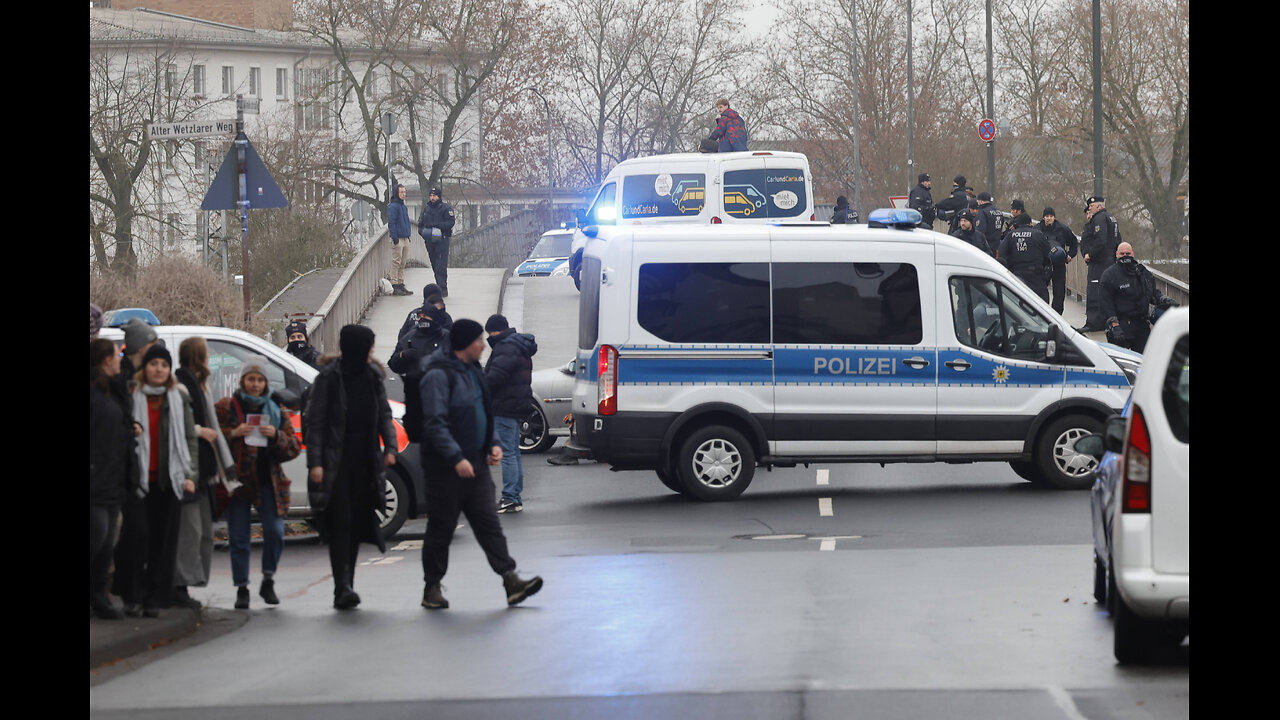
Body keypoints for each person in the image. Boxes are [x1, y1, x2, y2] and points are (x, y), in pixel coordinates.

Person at [418, 319, 543, 609]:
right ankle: (432, 587)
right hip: (445, 468)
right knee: (442, 528)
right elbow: (435, 423)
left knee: (489, 525)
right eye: (479, 340)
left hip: (475, 463)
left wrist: (493, 444)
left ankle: (510, 579)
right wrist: (455, 457)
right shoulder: (437, 375)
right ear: (465, 344)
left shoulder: (473, 371)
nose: (484, 344)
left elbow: (484, 410)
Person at [305, 325, 399, 610]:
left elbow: (384, 414)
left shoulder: (371, 377)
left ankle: (349, 583)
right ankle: (340, 586)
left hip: (365, 460)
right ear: (357, 348)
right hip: (337, 462)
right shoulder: (329, 379)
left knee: (357, 522)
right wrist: (316, 463)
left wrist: (391, 447)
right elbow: (316, 423)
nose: (372, 353)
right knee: (341, 523)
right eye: (369, 348)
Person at [113, 344, 198, 618]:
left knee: (162, 543)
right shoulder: (130, 395)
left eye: (163, 365)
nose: (158, 369)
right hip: (137, 482)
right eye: (153, 364)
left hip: (168, 480)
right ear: (144, 368)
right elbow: (117, 431)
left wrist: (189, 475)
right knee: (137, 538)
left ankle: (152, 598)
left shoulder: (177, 397)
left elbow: (188, 438)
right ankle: (131, 595)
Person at [215, 356, 302, 610]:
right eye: (251, 379)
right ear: (243, 381)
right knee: (239, 538)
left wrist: (276, 437)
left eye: (259, 380)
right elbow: (211, 439)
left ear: (265, 383)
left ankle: (268, 579)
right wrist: (233, 434)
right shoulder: (226, 407)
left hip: (268, 480)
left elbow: (293, 447)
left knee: (275, 531)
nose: (255, 384)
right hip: (238, 483)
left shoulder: (275, 409)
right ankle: (242, 588)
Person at [172, 337, 234, 609]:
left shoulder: (197, 385)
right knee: (193, 531)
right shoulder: (185, 385)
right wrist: (201, 432)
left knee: (202, 532)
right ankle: (181, 585)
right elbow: (183, 425)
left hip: (204, 469)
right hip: (194, 468)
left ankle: (188, 582)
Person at [91, 339, 131, 620]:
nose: (120, 360)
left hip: (113, 478)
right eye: (116, 356)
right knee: (97, 536)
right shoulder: (94, 394)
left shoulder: (112, 392)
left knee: (106, 543)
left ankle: (98, 595)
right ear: (105, 360)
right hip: (95, 479)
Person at [483, 314, 538, 514]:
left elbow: (495, 377)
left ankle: (510, 497)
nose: (489, 338)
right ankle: (514, 495)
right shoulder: (519, 345)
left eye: (490, 334)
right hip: (515, 404)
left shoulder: (505, 347)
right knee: (513, 452)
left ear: (497, 330)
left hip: (504, 405)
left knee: (507, 453)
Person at [388, 296, 451, 447]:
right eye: (421, 317)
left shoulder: (446, 338)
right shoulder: (410, 337)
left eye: (426, 317)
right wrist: (404, 356)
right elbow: (394, 364)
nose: (423, 320)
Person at [1098, 242, 1177, 353]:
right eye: (1122, 254)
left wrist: (1164, 300)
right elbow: (1106, 303)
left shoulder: (1141, 272)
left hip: (1141, 324)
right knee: (1121, 361)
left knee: (1143, 361)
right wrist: (1114, 325)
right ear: (1116, 254)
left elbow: (1153, 293)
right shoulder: (1109, 275)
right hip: (1121, 325)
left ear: (1133, 253)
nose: (1125, 256)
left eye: (1128, 253)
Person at [1079, 195, 1122, 331]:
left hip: (1100, 262)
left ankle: (1093, 323)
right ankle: (1106, 321)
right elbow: (1118, 240)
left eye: (1091, 206)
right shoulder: (1111, 218)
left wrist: (1090, 254)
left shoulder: (1099, 219)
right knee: (1107, 292)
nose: (1089, 209)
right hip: (1111, 261)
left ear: (1099, 206)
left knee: (1094, 291)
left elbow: (1100, 241)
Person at [997, 213, 1053, 302]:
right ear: (1030, 223)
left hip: (1017, 275)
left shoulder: (1011, 235)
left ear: (1018, 223)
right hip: (1036, 276)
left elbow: (1002, 254)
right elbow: (1048, 253)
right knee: (1041, 304)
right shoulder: (1038, 235)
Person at [1038, 208, 1079, 314]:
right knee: (1040, 291)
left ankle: (1056, 316)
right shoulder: (1037, 229)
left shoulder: (1063, 229)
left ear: (1054, 217)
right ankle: (1042, 313)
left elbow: (1074, 243)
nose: (1049, 218)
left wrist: (1070, 255)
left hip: (1059, 265)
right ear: (1043, 217)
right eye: (1047, 216)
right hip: (1042, 265)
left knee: (1059, 293)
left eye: (1051, 216)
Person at [418, 187, 456, 297]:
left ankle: (442, 288)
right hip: (430, 240)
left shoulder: (446, 208)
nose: (432, 198)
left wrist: (436, 226)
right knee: (434, 263)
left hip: (442, 239)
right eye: (431, 195)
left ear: (439, 196)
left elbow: (450, 223)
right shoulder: (427, 209)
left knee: (440, 265)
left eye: (434, 195)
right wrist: (422, 232)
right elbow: (420, 223)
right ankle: (439, 285)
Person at [388, 183, 414, 296]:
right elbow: (391, 223)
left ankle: (400, 282)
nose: (403, 194)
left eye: (404, 192)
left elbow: (406, 222)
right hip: (398, 238)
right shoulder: (393, 206)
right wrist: (395, 238)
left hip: (405, 237)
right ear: (396, 193)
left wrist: (408, 235)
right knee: (396, 262)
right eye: (401, 192)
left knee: (403, 262)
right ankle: (395, 284)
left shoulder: (403, 206)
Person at [974, 192, 1001, 256]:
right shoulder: (999, 212)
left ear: (980, 201)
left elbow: (980, 232)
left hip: (986, 248)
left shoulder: (982, 213)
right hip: (996, 246)